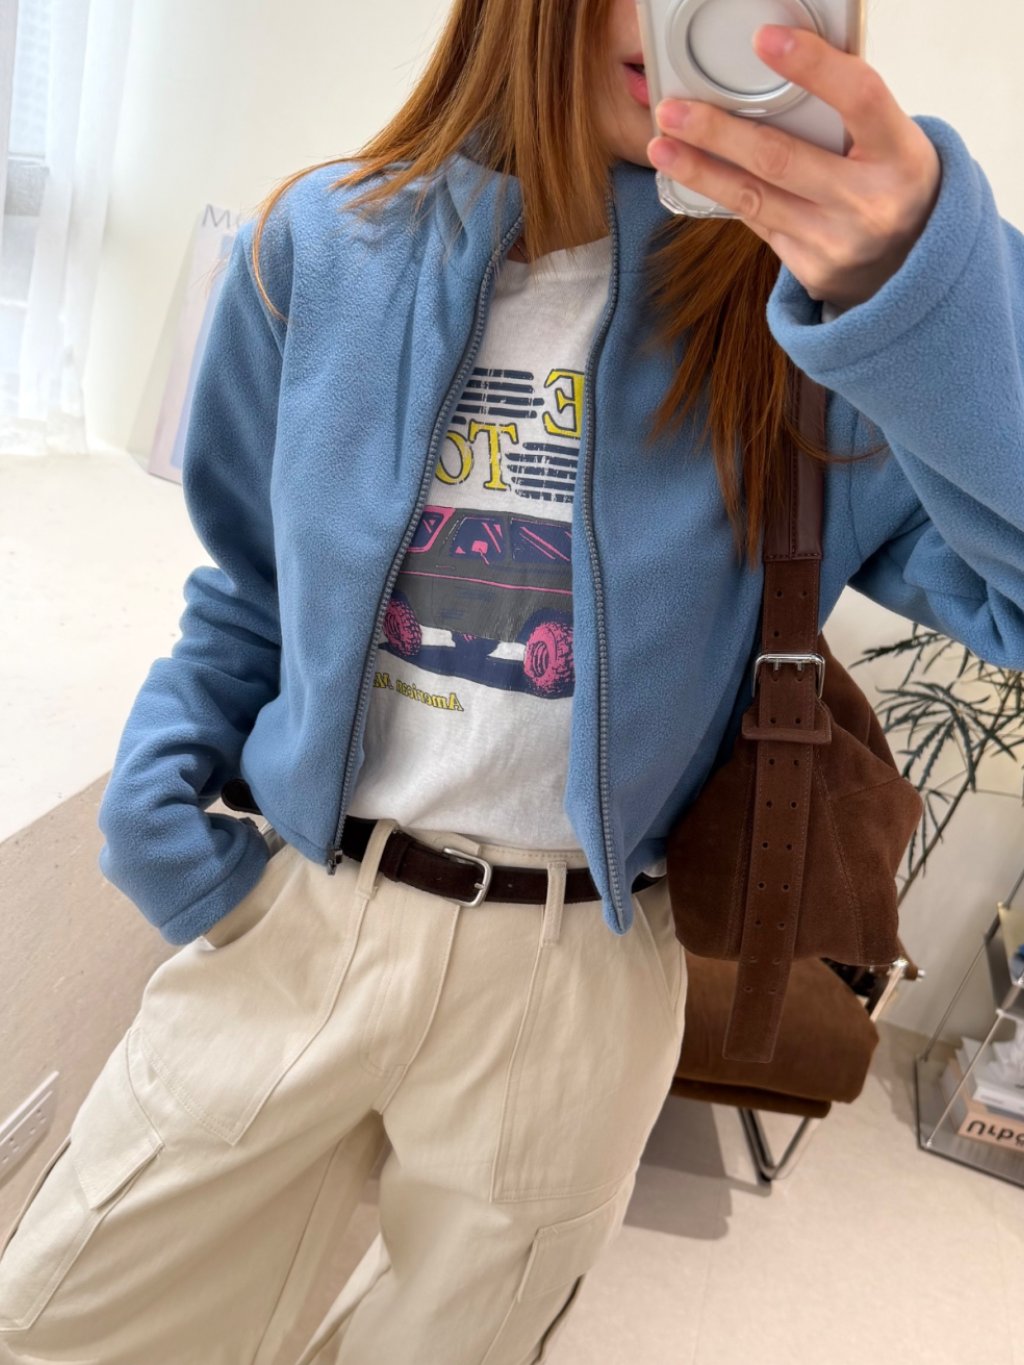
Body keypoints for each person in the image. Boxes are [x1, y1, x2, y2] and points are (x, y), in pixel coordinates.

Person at [2, 0, 1023, 1360]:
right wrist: (161, 826)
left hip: (577, 983)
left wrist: (924, 286)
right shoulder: (319, 247)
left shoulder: (813, 340)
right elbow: (252, 584)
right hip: (301, 919)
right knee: (66, 1325)